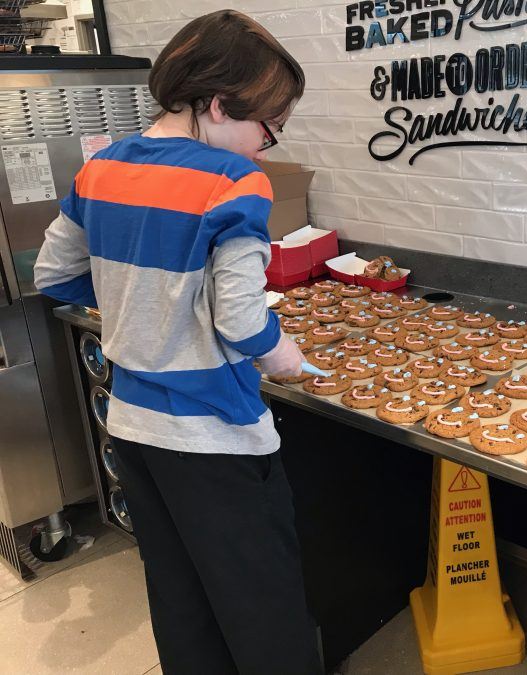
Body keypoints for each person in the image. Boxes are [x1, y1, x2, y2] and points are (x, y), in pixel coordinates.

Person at [33, 11, 322, 675]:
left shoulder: (101, 168)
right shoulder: (234, 181)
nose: (265, 147)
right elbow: (244, 322)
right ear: (218, 104)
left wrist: (138, 301)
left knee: (181, 599)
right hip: (214, 438)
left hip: (134, 431)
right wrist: (288, 355)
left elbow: (52, 273)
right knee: (267, 616)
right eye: (268, 127)